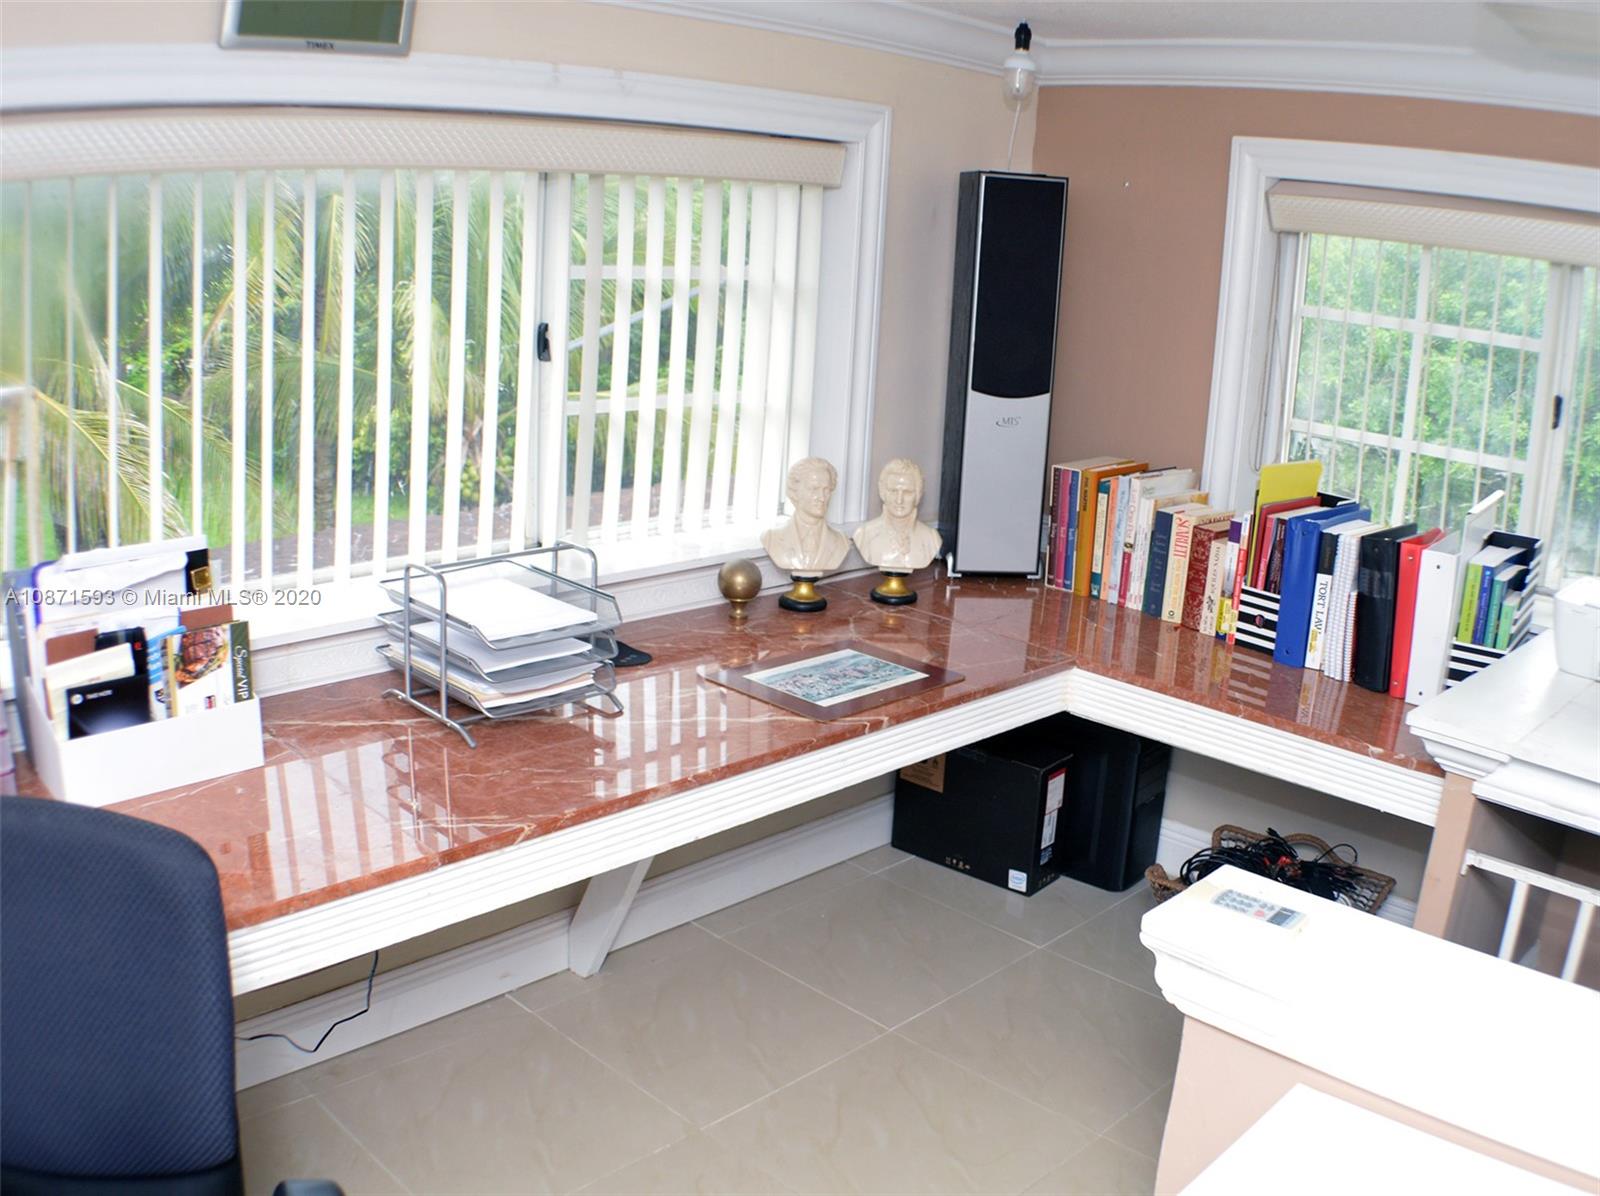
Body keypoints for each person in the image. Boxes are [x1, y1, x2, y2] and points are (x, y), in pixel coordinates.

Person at [761, 457, 850, 574]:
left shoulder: (841, 541)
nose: (822, 497)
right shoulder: (772, 537)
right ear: (794, 492)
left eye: (827, 490)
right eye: (814, 489)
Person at [853, 458, 942, 571]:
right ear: (883, 493)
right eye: (893, 491)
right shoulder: (864, 534)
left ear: (918, 495)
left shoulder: (931, 538)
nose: (899, 500)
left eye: (907, 492)